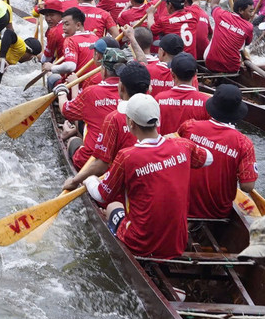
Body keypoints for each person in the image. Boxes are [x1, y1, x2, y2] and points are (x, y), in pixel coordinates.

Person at [79, 92, 213, 259]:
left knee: (112, 206)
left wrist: (87, 178)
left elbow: (100, 194)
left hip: (140, 244)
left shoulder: (127, 156)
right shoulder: (183, 145)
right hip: (177, 242)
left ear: (131, 124)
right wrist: (174, 141)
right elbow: (208, 158)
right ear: (157, 120)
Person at [179, 84, 257, 219]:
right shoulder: (244, 144)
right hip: (217, 213)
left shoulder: (189, 127)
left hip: (182, 206)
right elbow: (247, 187)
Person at [204, 0, 257, 73]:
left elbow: (213, 3)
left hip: (210, 62)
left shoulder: (221, 14)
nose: (252, 14)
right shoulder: (249, 27)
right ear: (241, 11)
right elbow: (246, 44)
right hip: (232, 67)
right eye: (250, 11)